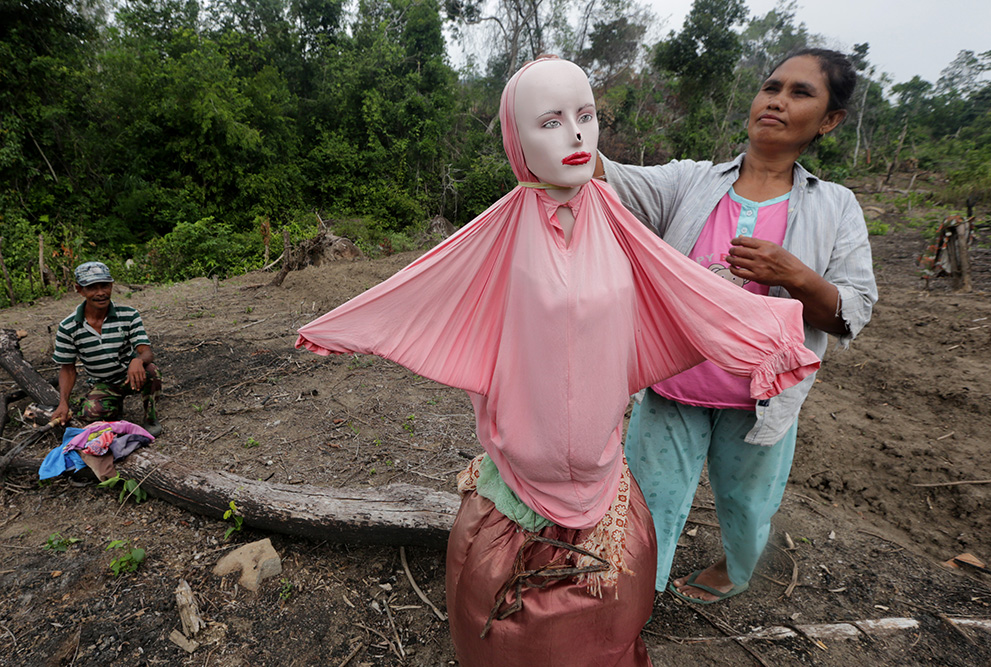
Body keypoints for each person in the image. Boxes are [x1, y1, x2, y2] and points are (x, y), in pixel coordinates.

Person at [296, 57, 820, 665]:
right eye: (549, 121)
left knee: (604, 625)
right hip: (523, 463)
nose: (575, 134)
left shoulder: (618, 223)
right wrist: (343, 328)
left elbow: (683, 286)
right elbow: (420, 287)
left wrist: (768, 335)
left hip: (602, 466)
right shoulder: (499, 233)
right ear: (518, 140)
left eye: (586, 116)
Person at [599, 48, 878, 603]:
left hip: (761, 401)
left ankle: (736, 570)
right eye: (771, 86)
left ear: (829, 121)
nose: (776, 99)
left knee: (748, 504)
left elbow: (854, 310)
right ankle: (633, 602)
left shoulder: (836, 207)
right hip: (673, 386)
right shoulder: (691, 182)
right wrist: (560, 104)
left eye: (801, 93)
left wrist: (793, 274)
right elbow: (606, 174)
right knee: (646, 501)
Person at [52, 261, 162, 437]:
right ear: (79, 290)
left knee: (152, 371)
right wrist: (63, 402)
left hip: (130, 376)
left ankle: (150, 417)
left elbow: (146, 351)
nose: (101, 293)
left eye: (105, 286)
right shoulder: (68, 326)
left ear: (111, 285)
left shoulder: (128, 314)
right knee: (90, 413)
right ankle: (113, 406)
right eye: (92, 288)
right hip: (102, 383)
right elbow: (67, 369)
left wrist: (138, 360)